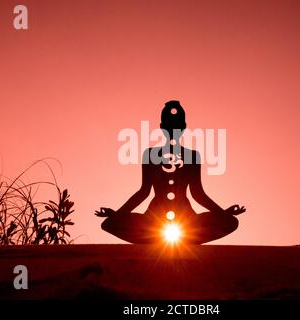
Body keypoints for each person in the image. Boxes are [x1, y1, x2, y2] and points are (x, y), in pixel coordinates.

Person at [95, 100, 245, 244]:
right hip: (153, 221)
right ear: (162, 127)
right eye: (169, 126)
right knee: (109, 224)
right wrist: (117, 215)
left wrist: (223, 214)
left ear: (183, 127)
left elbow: (198, 194)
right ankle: (159, 238)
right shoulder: (150, 154)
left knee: (231, 222)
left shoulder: (192, 156)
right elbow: (143, 192)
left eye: (176, 126)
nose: (173, 130)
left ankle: (181, 238)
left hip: (187, 222)